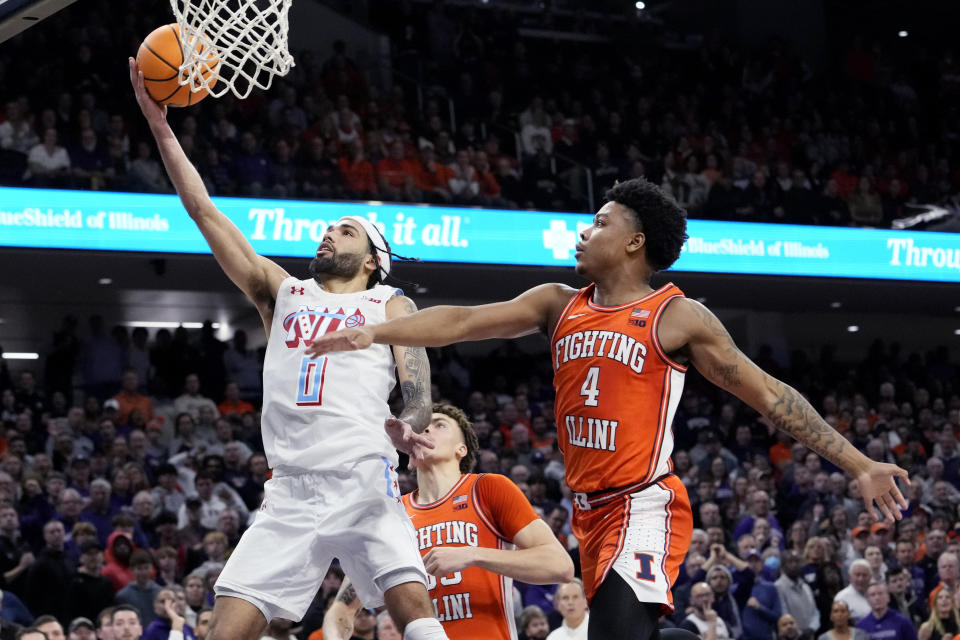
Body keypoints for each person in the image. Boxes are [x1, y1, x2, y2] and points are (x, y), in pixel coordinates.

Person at [307, 177, 910, 640]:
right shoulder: (555, 303)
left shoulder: (678, 316)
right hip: (588, 516)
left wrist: (858, 464)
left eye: (597, 223)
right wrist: (375, 332)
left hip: (643, 503)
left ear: (633, 242)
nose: (582, 233)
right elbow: (463, 321)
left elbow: (771, 395)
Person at [130, 58, 444, 640]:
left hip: (360, 476)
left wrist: (409, 424)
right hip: (290, 488)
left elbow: (418, 391)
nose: (329, 233)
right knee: (225, 631)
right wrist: (161, 126)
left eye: (346, 231)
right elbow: (204, 211)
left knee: (415, 614)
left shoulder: (391, 304)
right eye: (329, 229)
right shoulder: (282, 292)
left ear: (374, 260)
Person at [321, 404, 573, 640]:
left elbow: (560, 565)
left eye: (439, 425)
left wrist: (473, 554)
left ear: (460, 449)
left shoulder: (487, 489)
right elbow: (341, 610)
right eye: (421, 427)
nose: (427, 428)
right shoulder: (391, 515)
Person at [775, 550, 820, 636]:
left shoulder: (806, 587)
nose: (794, 565)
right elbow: (784, 614)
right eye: (790, 562)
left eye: (797, 561)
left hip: (809, 635)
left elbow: (815, 612)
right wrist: (799, 633)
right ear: (783, 566)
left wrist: (812, 628)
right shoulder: (778, 587)